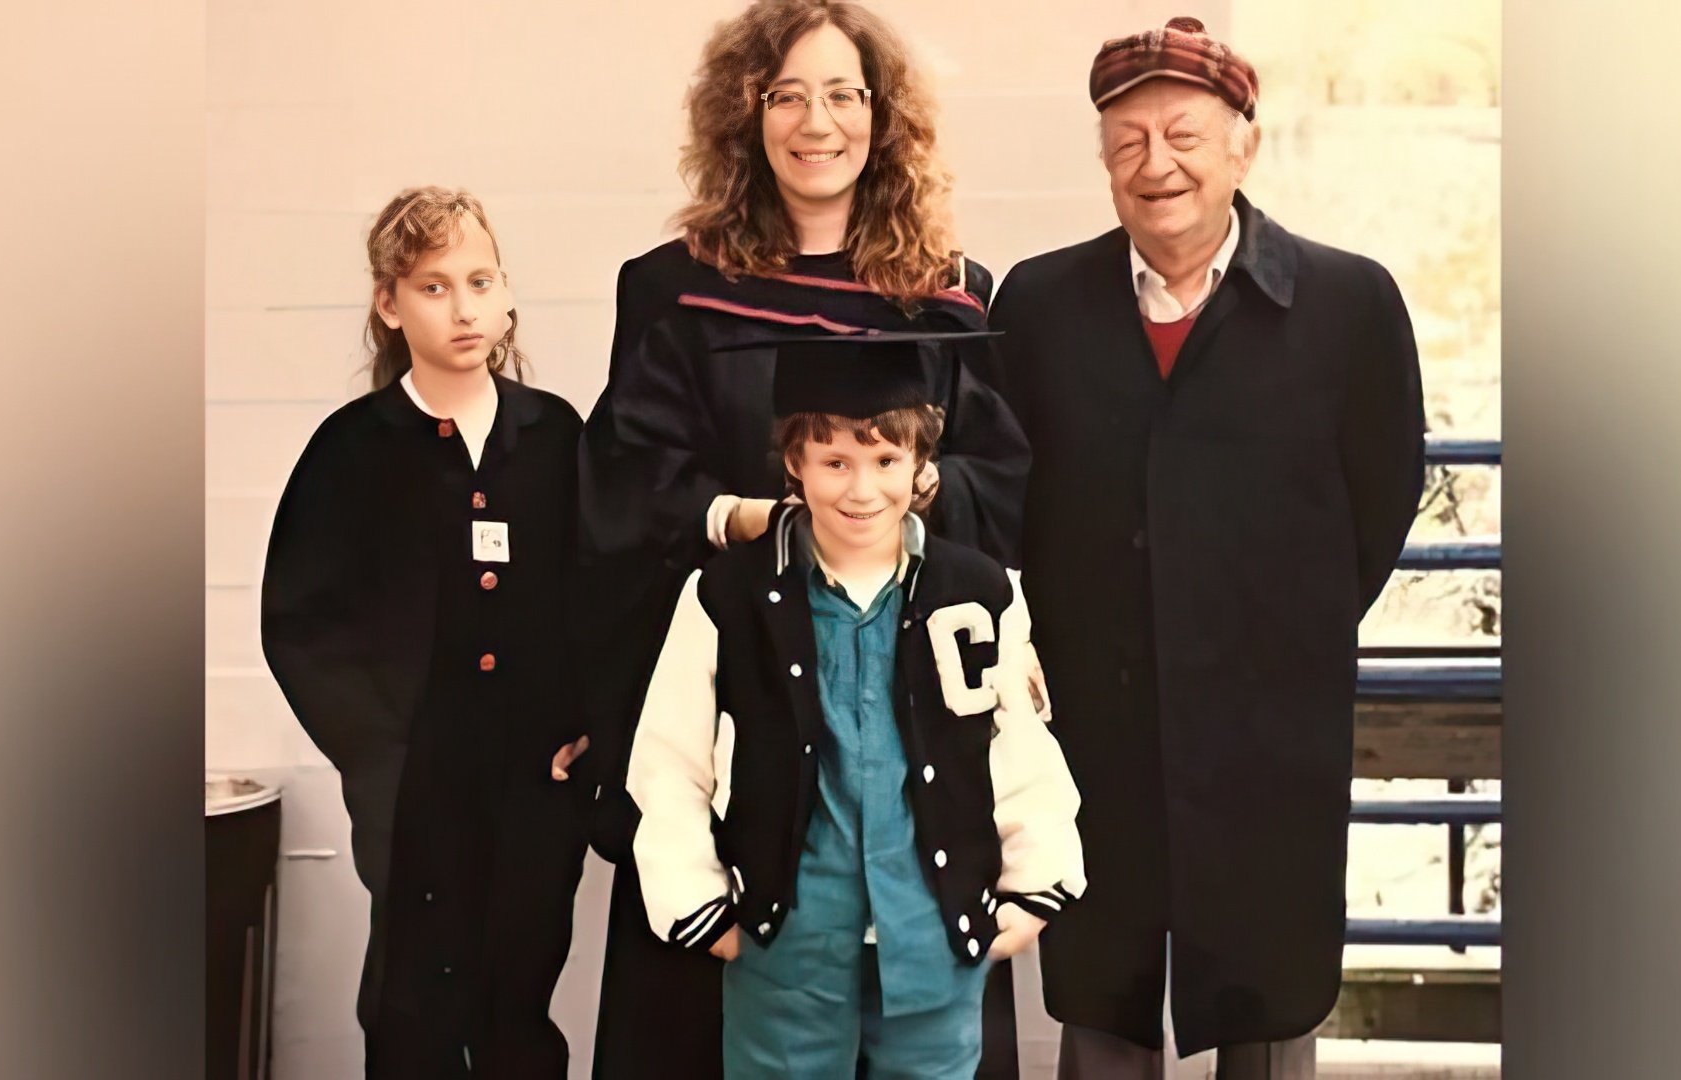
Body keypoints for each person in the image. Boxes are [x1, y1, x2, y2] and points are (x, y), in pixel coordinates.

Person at [576, 3, 1032, 1075]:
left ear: (883, 118)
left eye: (841, 94)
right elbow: (627, 486)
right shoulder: (676, 291)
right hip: (748, 707)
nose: (814, 121)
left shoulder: (951, 299)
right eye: (787, 95)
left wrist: (886, 502)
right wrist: (753, 523)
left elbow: (1002, 482)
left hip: (913, 717)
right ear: (749, 113)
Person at [980, 19, 1426, 1079]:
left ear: (1244, 145)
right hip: (1091, 715)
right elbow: (1003, 491)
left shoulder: (1348, 304)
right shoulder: (1038, 306)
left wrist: (1272, 630)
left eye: (1183, 133)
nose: (1156, 163)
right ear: (1100, 159)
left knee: (1268, 1002)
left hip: (1270, 723)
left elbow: (1382, 499)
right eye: (1126, 140)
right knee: (1102, 1000)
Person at [626, 329, 1085, 1079]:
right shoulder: (728, 595)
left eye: (884, 461)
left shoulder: (978, 591)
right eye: (834, 462)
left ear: (921, 467)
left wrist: (1036, 887)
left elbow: (1014, 746)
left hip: (932, 935)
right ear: (793, 466)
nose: (861, 489)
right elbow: (671, 759)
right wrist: (695, 902)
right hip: (788, 941)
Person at [261, 186, 590, 1078]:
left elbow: (601, 589)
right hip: (414, 790)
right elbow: (300, 625)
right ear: (389, 303)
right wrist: (379, 754)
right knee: (414, 1009)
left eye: (480, 281)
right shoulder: (353, 449)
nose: (463, 307)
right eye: (434, 286)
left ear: (508, 292)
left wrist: (588, 722)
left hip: (535, 781)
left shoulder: (555, 436)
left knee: (520, 1005)